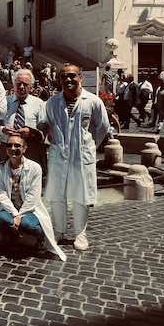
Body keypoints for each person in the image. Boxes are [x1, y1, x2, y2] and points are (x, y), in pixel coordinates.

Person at [44, 64, 109, 251]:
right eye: (64, 76)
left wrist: (89, 145)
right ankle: (59, 230)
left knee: (81, 195)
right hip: (59, 154)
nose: (68, 80)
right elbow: (47, 123)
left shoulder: (93, 101)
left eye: (72, 76)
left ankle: (80, 233)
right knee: (57, 194)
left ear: (80, 77)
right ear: (59, 79)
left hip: (82, 156)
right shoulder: (52, 102)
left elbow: (102, 127)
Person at [0, 134, 66, 261]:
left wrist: (20, 216)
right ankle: (14, 240)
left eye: (17, 145)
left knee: (27, 223)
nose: (13, 148)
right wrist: (15, 214)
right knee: (2, 218)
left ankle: (39, 239)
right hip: (10, 209)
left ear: (25, 148)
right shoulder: (1, 167)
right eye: (9, 145)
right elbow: (1, 193)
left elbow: (33, 197)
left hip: (29, 209)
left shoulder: (35, 168)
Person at [0, 69, 47, 168]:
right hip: (7, 147)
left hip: (30, 149)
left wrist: (31, 132)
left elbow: (44, 130)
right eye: (18, 84)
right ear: (13, 85)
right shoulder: (4, 102)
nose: (21, 87)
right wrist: (2, 129)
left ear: (31, 87)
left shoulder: (39, 104)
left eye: (25, 84)